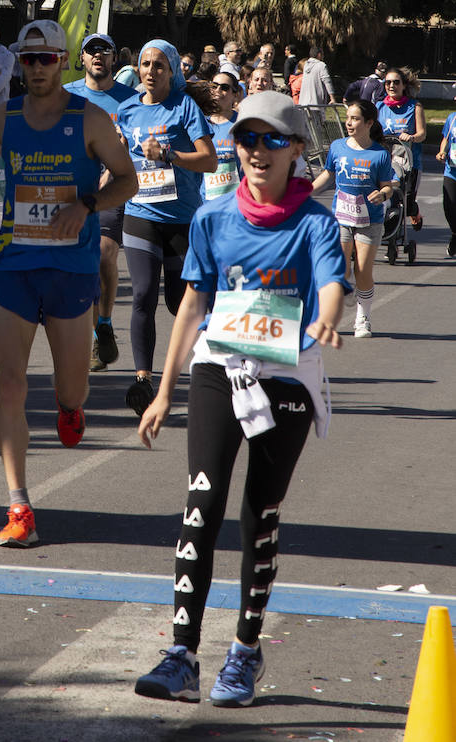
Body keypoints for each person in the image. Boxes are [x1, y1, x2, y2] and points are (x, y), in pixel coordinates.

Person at [134, 91, 347, 709]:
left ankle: (245, 655)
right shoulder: (212, 218)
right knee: (202, 500)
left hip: (287, 375)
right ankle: (181, 655)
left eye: (271, 140)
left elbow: (331, 281)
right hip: (218, 369)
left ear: (296, 152)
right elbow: (192, 307)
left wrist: (326, 318)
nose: (257, 150)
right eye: (247, 138)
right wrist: (163, 388)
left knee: (261, 514)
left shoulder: (316, 222)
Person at [0, 19, 137, 549]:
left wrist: (86, 205)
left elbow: (126, 180)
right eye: (29, 60)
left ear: (64, 61)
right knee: (10, 384)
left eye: (46, 59)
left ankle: (70, 407)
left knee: (70, 387)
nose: (37, 68)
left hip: (72, 271)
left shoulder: (91, 119)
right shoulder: (5, 116)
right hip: (14, 265)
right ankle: (19, 505)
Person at [116, 40, 217, 418]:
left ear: (172, 70)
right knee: (142, 293)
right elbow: (120, 161)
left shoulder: (185, 107)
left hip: (181, 218)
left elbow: (207, 161)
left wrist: (170, 154)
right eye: (145, 64)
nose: (151, 71)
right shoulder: (126, 110)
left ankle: (217, 362)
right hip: (140, 213)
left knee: (180, 303)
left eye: (160, 65)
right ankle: (143, 379)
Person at [65, 33, 139, 373]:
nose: (98, 56)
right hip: (74, 192)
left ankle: (102, 328)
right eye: (91, 51)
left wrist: (111, 170)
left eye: (104, 51)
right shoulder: (68, 97)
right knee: (82, 266)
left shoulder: (129, 100)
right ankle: (97, 329)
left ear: (114, 60)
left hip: (111, 190)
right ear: (82, 58)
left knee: (105, 253)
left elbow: (134, 148)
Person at [312, 100, 394, 339]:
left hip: (370, 221)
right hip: (341, 217)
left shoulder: (379, 153)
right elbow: (327, 173)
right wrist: (306, 191)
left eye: (355, 119)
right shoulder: (338, 147)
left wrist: (382, 194)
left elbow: (388, 186)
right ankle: (345, 289)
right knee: (338, 266)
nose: (349, 123)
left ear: (369, 123)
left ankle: (363, 318)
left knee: (362, 270)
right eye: (348, 118)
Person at [376, 66, 426, 230]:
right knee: (388, 199)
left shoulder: (415, 106)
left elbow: (422, 134)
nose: (391, 86)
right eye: (388, 82)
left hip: (409, 162)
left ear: (404, 85)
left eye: (396, 82)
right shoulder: (379, 107)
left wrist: (411, 137)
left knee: (407, 203)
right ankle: (390, 236)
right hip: (384, 162)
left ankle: (415, 211)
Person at [203, 70, 241, 202]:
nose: (218, 90)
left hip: (236, 203)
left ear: (235, 95)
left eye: (224, 88)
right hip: (205, 202)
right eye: (214, 86)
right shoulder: (199, 123)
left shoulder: (242, 123)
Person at [436, 83, 456, 257]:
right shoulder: (452, 118)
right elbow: (446, 138)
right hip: (452, 170)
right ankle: (455, 234)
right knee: (449, 207)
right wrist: (442, 151)